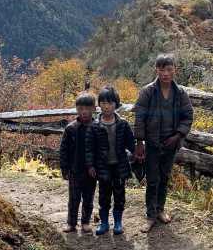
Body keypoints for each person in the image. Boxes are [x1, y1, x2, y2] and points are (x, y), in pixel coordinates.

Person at [133, 54, 194, 231]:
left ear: (175, 69)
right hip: (152, 144)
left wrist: (178, 136)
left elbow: (188, 116)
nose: (165, 73)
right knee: (152, 179)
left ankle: (160, 210)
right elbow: (140, 117)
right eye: (161, 69)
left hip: (171, 145)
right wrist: (139, 142)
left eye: (169, 69)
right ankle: (150, 215)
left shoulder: (180, 93)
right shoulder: (147, 92)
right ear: (156, 70)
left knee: (164, 178)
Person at [86, 86, 136, 235]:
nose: (106, 106)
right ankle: (104, 222)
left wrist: (137, 154)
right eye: (103, 103)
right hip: (102, 166)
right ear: (99, 105)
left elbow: (130, 143)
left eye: (110, 103)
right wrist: (90, 165)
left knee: (119, 194)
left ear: (116, 105)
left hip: (119, 165)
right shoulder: (94, 126)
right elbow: (89, 148)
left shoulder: (123, 124)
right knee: (104, 195)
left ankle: (118, 222)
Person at [59, 92, 97, 233]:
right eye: (81, 109)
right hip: (75, 170)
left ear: (94, 108)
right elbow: (63, 150)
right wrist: (64, 168)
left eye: (87, 108)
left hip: (91, 171)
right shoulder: (70, 129)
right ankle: (71, 223)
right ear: (77, 109)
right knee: (74, 199)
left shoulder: (97, 127)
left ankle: (86, 222)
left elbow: (101, 150)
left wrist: (98, 167)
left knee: (88, 197)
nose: (84, 112)